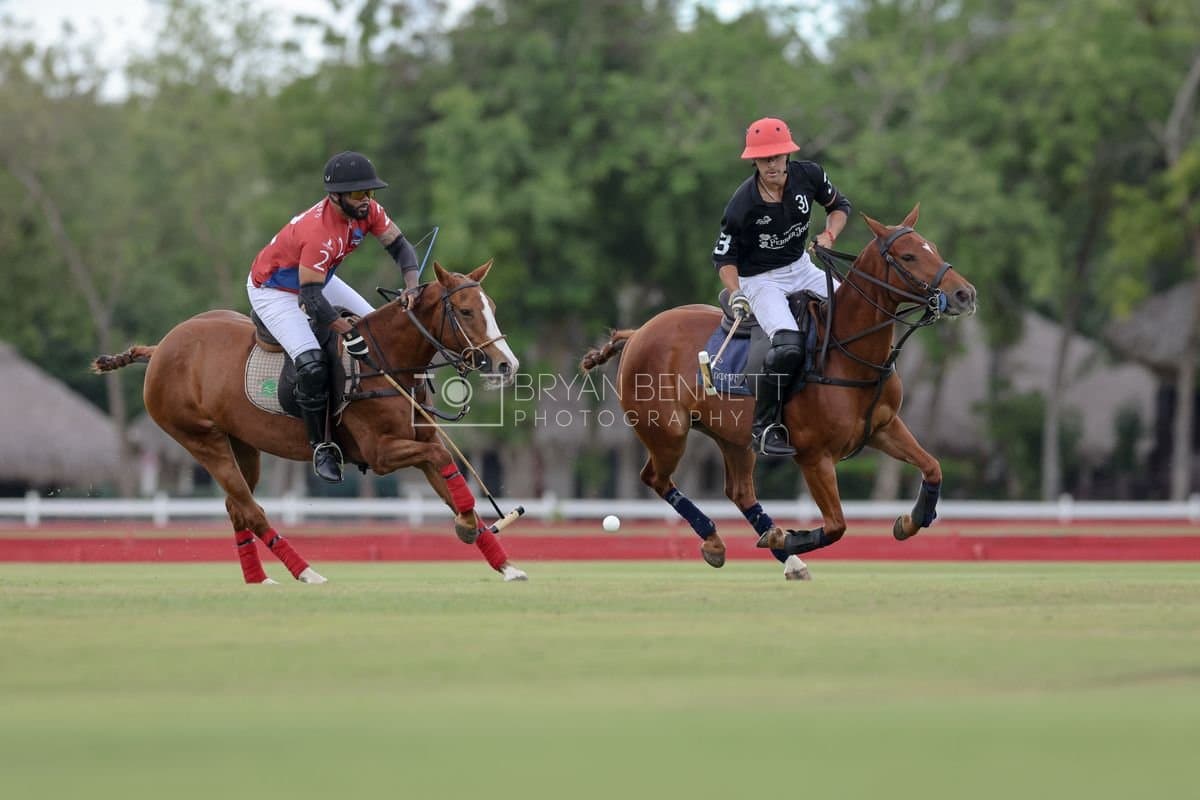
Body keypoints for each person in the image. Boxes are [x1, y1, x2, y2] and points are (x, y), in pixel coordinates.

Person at [248, 151, 421, 483]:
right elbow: (311, 300)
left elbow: (401, 248)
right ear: (336, 196)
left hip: (318, 277)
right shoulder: (318, 233)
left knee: (383, 335)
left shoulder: (368, 211)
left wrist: (411, 286)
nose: (367, 200)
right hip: (274, 289)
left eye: (370, 192)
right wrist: (347, 331)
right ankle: (322, 446)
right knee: (312, 362)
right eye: (359, 194)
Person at [711, 117, 852, 457]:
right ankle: (764, 426)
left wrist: (828, 235)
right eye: (763, 159)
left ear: (787, 154)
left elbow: (839, 207)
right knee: (788, 346)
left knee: (852, 309)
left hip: (802, 267)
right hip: (761, 281)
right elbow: (723, 259)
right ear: (754, 161)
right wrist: (737, 292)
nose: (770, 164)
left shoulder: (809, 176)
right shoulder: (742, 204)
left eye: (776, 156)